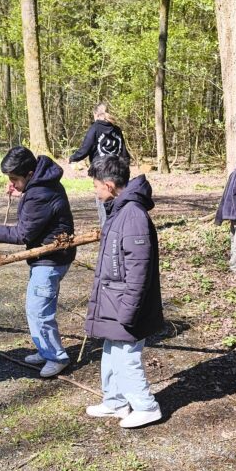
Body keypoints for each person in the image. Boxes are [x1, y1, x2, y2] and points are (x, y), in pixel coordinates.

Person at [0, 145, 75, 378]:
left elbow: (23, 234)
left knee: (39, 311)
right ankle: (45, 349)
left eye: (15, 179)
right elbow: (37, 208)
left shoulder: (39, 193)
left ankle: (56, 357)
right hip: (47, 256)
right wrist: (22, 191)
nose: (12, 183)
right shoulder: (42, 182)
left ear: (29, 174)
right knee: (36, 307)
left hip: (50, 259)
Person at [84, 155, 164, 428]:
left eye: (95, 186)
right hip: (114, 301)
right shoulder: (120, 210)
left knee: (126, 357)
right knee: (110, 351)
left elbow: (139, 269)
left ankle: (146, 407)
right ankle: (115, 402)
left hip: (126, 305)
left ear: (108, 185)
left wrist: (129, 310)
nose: (95, 191)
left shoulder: (133, 215)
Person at [68, 103, 129, 226]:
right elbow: (123, 151)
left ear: (96, 114)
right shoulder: (116, 129)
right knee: (119, 199)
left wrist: (73, 158)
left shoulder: (95, 128)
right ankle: (120, 226)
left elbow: (85, 148)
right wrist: (125, 168)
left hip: (101, 170)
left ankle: (106, 228)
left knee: (103, 198)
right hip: (117, 169)